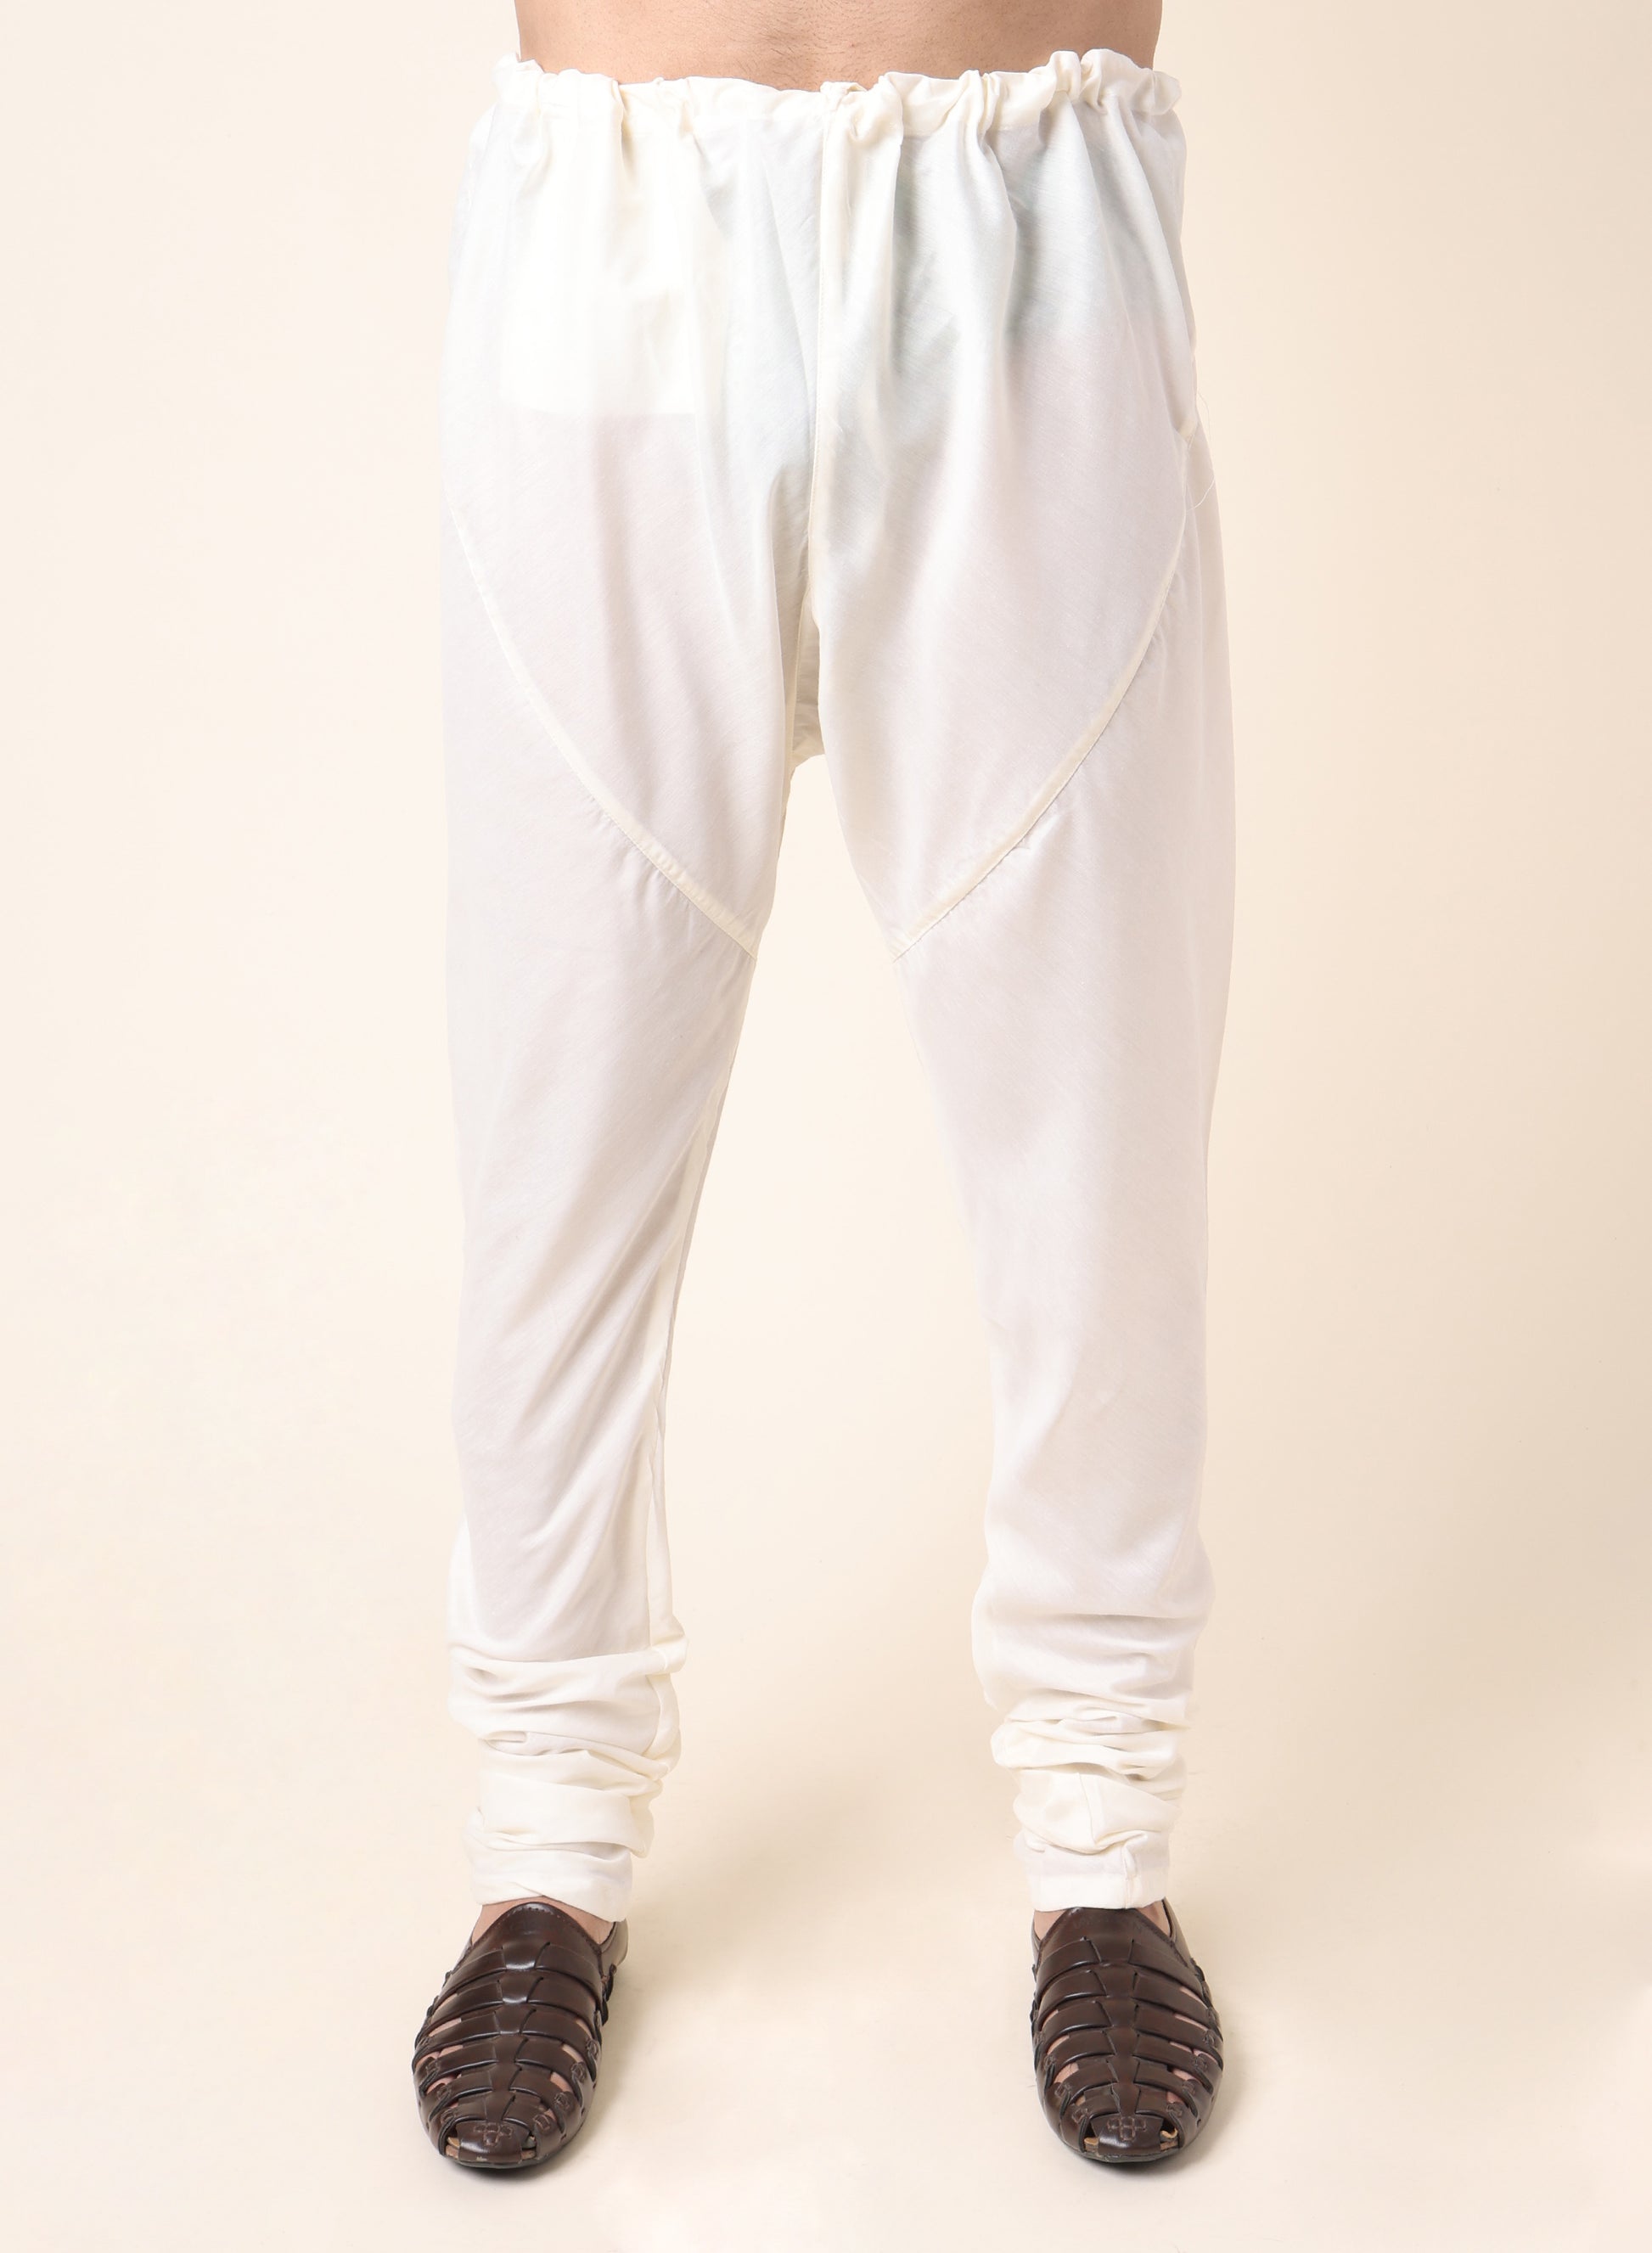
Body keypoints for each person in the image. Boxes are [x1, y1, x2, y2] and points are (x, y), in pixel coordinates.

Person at [412, 0, 1232, 2172]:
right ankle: (544, 1839)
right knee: (561, 1111)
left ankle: (1102, 1843)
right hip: (616, 229)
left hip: (1021, 236)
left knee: (1095, 1105)